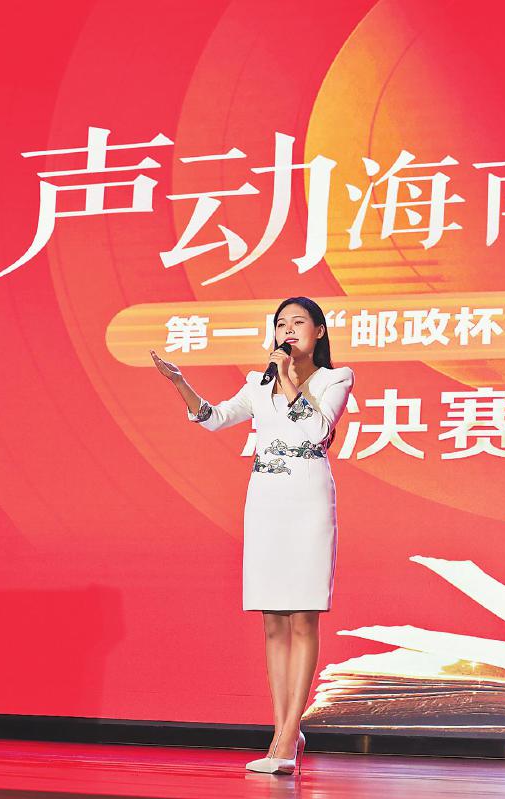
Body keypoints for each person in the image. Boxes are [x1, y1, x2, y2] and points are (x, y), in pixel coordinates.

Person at [151, 296, 354, 777]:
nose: (288, 330)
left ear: (319, 332)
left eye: (298, 322)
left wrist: (287, 378)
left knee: (303, 617)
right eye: (281, 324)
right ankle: (284, 730)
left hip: (308, 504)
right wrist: (180, 383)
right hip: (265, 504)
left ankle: (286, 735)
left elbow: (315, 431)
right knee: (273, 621)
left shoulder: (335, 379)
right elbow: (213, 417)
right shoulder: (257, 385)